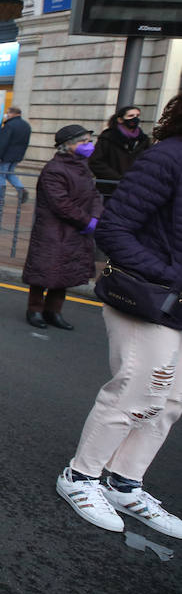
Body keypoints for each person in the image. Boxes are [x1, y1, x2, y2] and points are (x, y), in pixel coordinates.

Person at [55, 93, 182, 541]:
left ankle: (124, 483)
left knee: (171, 402)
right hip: (150, 296)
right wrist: (170, 275)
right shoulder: (167, 157)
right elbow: (114, 229)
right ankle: (81, 476)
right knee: (137, 391)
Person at [21, 125, 102, 330]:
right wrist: (86, 221)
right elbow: (61, 204)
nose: (88, 145)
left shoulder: (83, 167)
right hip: (53, 230)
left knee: (65, 272)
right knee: (44, 271)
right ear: (68, 145)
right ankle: (35, 310)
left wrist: (95, 216)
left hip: (74, 230)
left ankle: (53, 311)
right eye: (83, 141)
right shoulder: (54, 169)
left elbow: (94, 195)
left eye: (88, 141)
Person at [90, 104, 151, 201]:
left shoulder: (144, 140)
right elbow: (95, 161)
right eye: (131, 116)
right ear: (120, 120)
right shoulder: (108, 137)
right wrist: (117, 178)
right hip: (110, 188)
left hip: (135, 188)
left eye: (137, 115)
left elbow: (149, 161)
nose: (135, 118)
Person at [0, 106, 30, 204]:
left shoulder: (9, 125)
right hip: (16, 157)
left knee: (0, 175)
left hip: (4, 156)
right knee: (9, 174)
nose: (6, 115)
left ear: (13, 114)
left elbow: (3, 142)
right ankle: (21, 190)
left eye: (8, 113)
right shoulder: (26, 125)